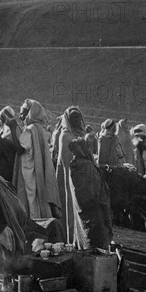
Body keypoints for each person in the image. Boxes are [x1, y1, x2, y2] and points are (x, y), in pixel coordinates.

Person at [7, 99, 62, 220]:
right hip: (36, 172)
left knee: (29, 199)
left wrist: (12, 128)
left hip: (28, 172)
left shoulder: (29, 129)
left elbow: (20, 149)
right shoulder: (40, 129)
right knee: (37, 198)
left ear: (30, 113)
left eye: (22, 113)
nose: (20, 115)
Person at [68, 138, 113, 249]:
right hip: (93, 206)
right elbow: (93, 187)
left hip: (80, 205)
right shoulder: (87, 165)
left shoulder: (73, 164)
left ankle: (83, 248)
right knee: (96, 234)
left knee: (82, 227)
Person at [55, 106, 89, 249]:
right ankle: (71, 238)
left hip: (81, 178)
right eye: (73, 117)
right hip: (70, 179)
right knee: (70, 206)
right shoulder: (65, 136)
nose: (76, 120)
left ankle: (81, 238)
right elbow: (66, 163)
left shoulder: (80, 133)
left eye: (78, 117)